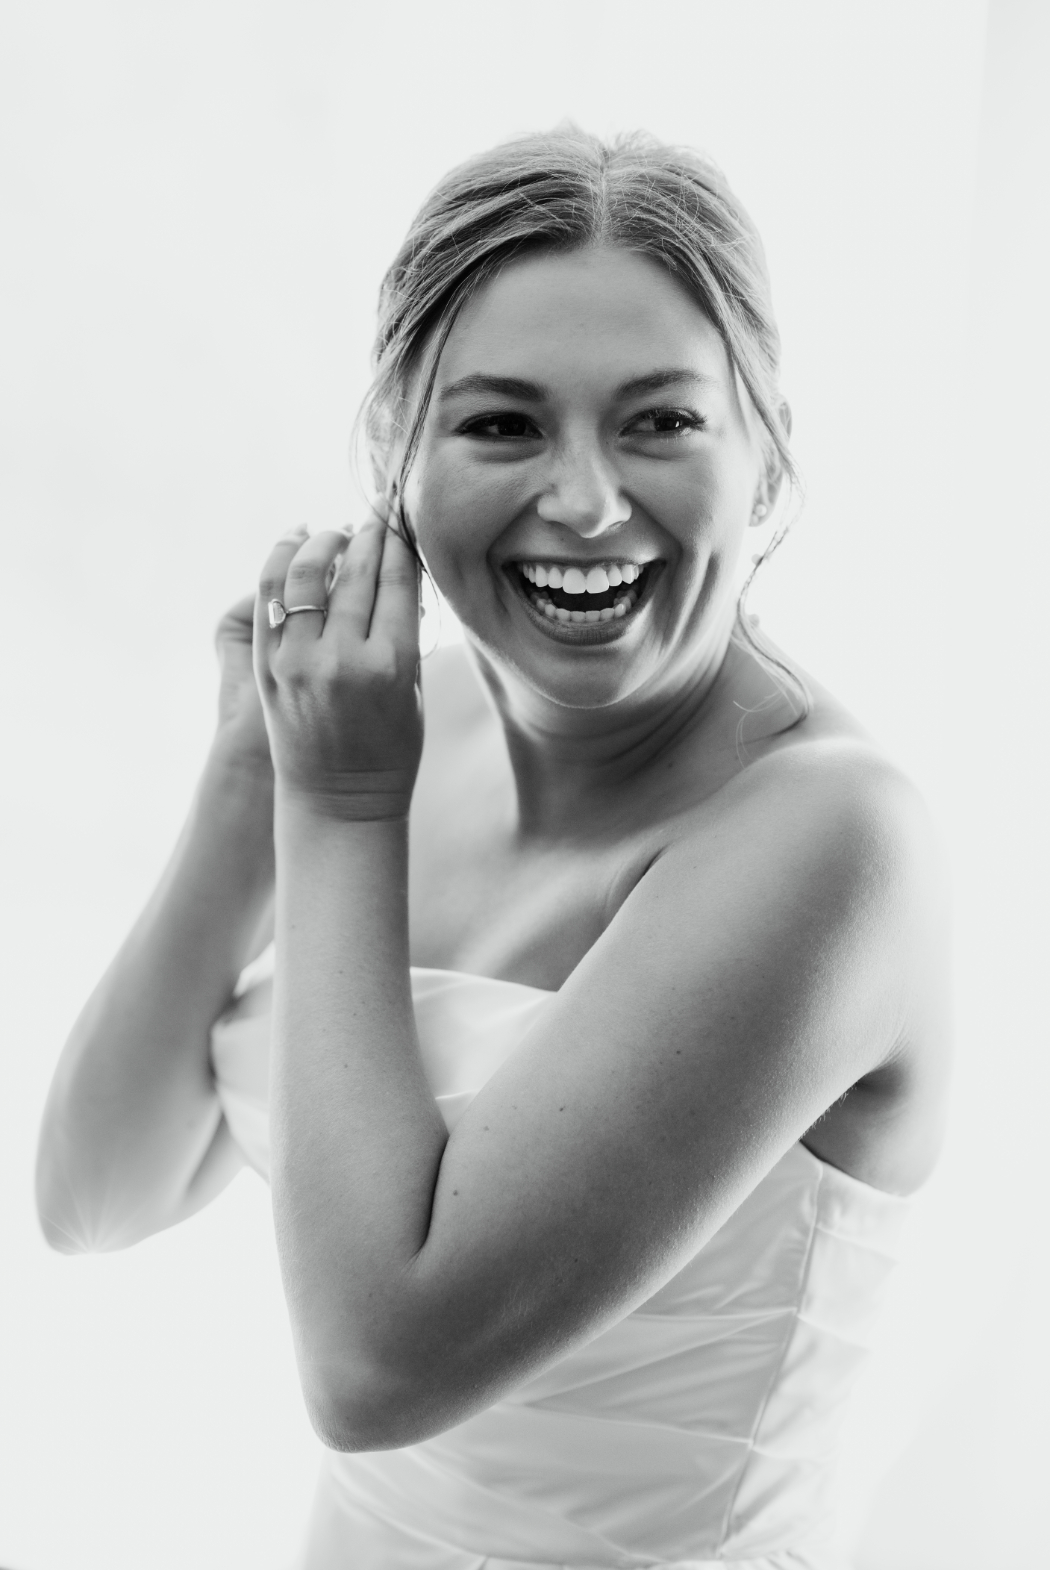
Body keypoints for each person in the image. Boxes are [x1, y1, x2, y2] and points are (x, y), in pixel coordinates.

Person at [36, 129, 951, 1569]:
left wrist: (338, 814)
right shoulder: (390, 725)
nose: (585, 501)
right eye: (503, 426)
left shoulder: (834, 843)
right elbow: (93, 1198)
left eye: (658, 423)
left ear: (766, 452)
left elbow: (374, 1369)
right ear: (398, 452)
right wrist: (243, 782)